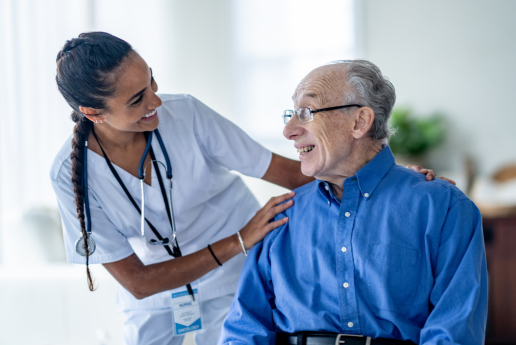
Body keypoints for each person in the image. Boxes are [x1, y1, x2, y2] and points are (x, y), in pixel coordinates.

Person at [50, 33, 442, 345]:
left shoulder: (185, 113)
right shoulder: (71, 174)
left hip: (233, 281)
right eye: (137, 99)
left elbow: (288, 171)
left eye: (151, 79)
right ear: (93, 113)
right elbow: (138, 282)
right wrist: (239, 238)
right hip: (160, 291)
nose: (155, 100)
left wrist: (386, 177)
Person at [218, 60, 488, 345]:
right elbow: (244, 330)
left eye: (306, 112)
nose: (289, 130)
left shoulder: (443, 207)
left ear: (360, 122)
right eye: (291, 113)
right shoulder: (281, 216)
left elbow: (453, 332)